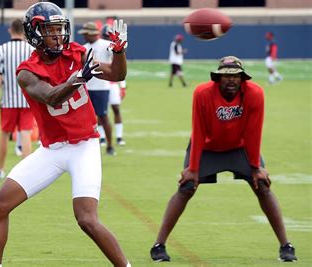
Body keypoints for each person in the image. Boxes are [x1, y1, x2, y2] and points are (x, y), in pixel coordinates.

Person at [0, 2, 130, 267]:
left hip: (84, 145)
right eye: (49, 30)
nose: (57, 35)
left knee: (86, 218)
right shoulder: (26, 71)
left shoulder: (76, 53)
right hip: (52, 150)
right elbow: (51, 97)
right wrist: (78, 79)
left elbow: (116, 73)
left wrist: (118, 50)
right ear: (33, 34)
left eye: (58, 29)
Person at [150, 56, 297, 263]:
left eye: (235, 76)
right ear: (217, 78)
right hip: (208, 148)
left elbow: (254, 131)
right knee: (186, 187)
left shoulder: (255, 93)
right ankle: (159, 245)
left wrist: (255, 167)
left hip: (239, 147)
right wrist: (193, 168)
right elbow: (198, 129)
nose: (231, 80)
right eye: (226, 76)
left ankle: (286, 245)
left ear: (242, 78)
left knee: (262, 185)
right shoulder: (203, 93)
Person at [0, 19, 35, 180]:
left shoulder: (2, 49)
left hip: (8, 100)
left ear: (10, 30)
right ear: (23, 32)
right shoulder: (30, 49)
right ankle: (26, 174)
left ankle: (0, 169)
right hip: (27, 100)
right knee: (26, 134)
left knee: (4, 134)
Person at [79, 21, 116, 155]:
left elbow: (115, 63)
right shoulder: (83, 48)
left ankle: (110, 145)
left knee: (103, 116)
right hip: (86, 87)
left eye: (85, 34)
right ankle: (86, 146)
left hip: (101, 87)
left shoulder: (106, 45)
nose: (84, 37)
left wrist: (97, 65)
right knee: (85, 119)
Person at [102, 24, 126, 146]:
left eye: (109, 36)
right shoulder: (97, 47)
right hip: (100, 82)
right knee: (101, 112)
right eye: (106, 36)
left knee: (116, 109)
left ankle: (119, 137)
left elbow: (121, 68)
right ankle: (101, 137)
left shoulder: (116, 48)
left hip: (112, 83)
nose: (107, 39)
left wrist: (123, 86)